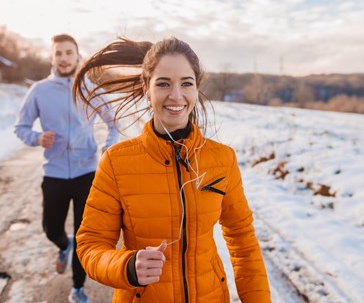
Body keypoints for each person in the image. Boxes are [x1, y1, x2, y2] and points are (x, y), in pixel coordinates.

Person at [72, 37, 271, 302]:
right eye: (163, 83)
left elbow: (243, 241)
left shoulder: (222, 159)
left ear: (196, 88)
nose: (175, 96)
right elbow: (90, 245)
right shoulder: (116, 163)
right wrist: (128, 267)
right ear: (146, 88)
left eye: (186, 83)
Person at [14, 33, 119, 303]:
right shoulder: (39, 91)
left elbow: (113, 122)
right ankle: (63, 245)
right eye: (58, 53)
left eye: (68, 52)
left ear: (77, 56)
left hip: (87, 173)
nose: (63, 58)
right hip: (55, 173)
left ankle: (78, 288)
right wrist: (37, 138)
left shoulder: (90, 89)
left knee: (84, 236)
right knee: (51, 228)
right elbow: (21, 127)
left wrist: (109, 147)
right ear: (52, 57)